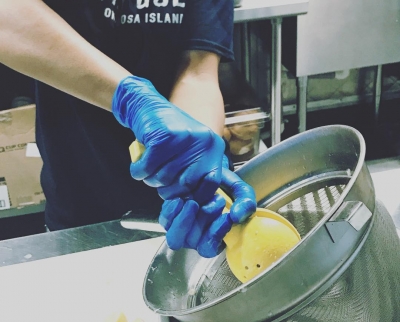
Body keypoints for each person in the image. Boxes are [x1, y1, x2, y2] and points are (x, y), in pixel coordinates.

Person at [0, 0, 257, 257]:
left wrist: (196, 168)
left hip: (173, 212)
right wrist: (128, 96)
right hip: (80, 198)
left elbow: (198, 71)